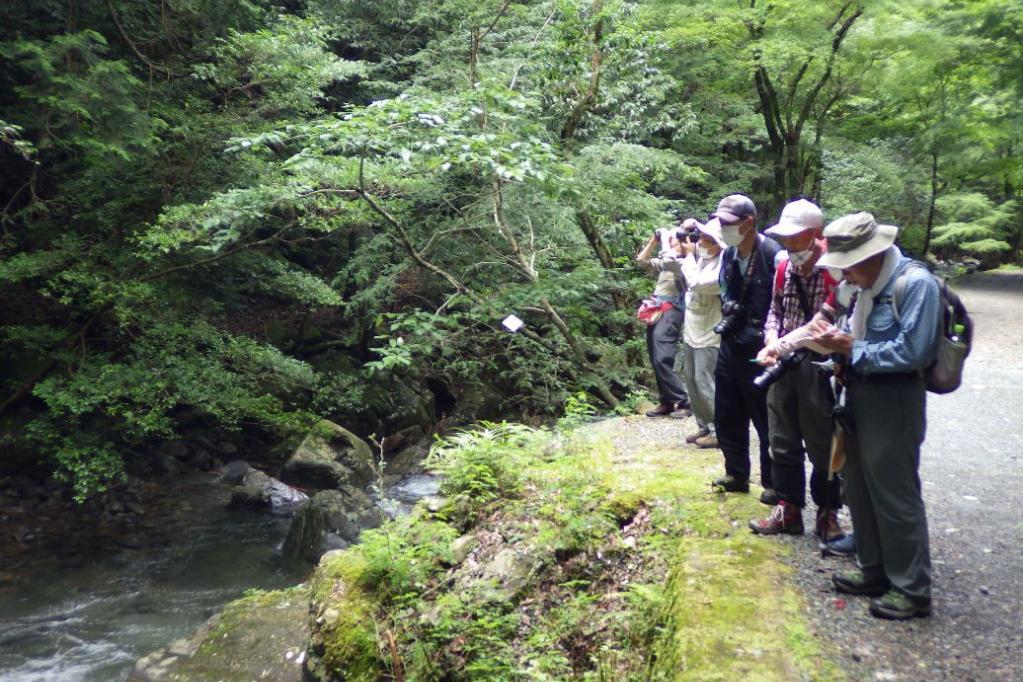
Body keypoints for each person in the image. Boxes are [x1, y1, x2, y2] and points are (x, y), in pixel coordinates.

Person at [810, 212, 940, 620]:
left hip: (895, 398)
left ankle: (911, 589)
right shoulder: (860, 288)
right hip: (858, 395)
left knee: (894, 492)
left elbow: (915, 351)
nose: (844, 274)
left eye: (849, 264)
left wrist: (852, 349)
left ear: (875, 255)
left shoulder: (915, 284)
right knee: (860, 488)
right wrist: (835, 353)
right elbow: (856, 336)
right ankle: (874, 569)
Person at [748, 199, 845, 538]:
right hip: (783, 363)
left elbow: (823, 325)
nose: (788, 243)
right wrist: (771, 338)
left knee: (822, 442)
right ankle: (788, 509)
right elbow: (775, 309)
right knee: (781, 437)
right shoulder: (782, 265)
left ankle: (828, 513)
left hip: (818, 364)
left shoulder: (834, 269)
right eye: (785, 236)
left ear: (816, 233)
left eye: (795, 236)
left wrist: (782, 343)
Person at [708, 194, 782, 495]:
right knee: (727, 413)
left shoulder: (771, 255)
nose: (722, 228)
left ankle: (773, 483)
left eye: (727, 223)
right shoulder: (728, 255)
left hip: (760, 348)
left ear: (749, 222)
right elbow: (725, 292)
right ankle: (736, 474)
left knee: (765, 418)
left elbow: (781, 305)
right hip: (730, 343)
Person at [677, 218, 727, 448]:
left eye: (707, 238)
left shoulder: (723, 266)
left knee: (705, 381)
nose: (701, 242)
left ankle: (719, 430)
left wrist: (687, 256)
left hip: (710, 333)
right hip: (692, 329)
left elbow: (697, 283)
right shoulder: (705, 259)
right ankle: (703, 426)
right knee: (692, 381)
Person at [636, 227, 691, 418]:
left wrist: (668, 240)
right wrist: (654, 241)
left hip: (671, 311)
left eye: (675, 243)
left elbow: (670, 260)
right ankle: (666, 402)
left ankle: (684, 402)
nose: (671, 245)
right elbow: (642, 261)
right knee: (654, 357)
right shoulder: (667, 262)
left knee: (662, 358)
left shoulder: (683, 263)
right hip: (657, 309)